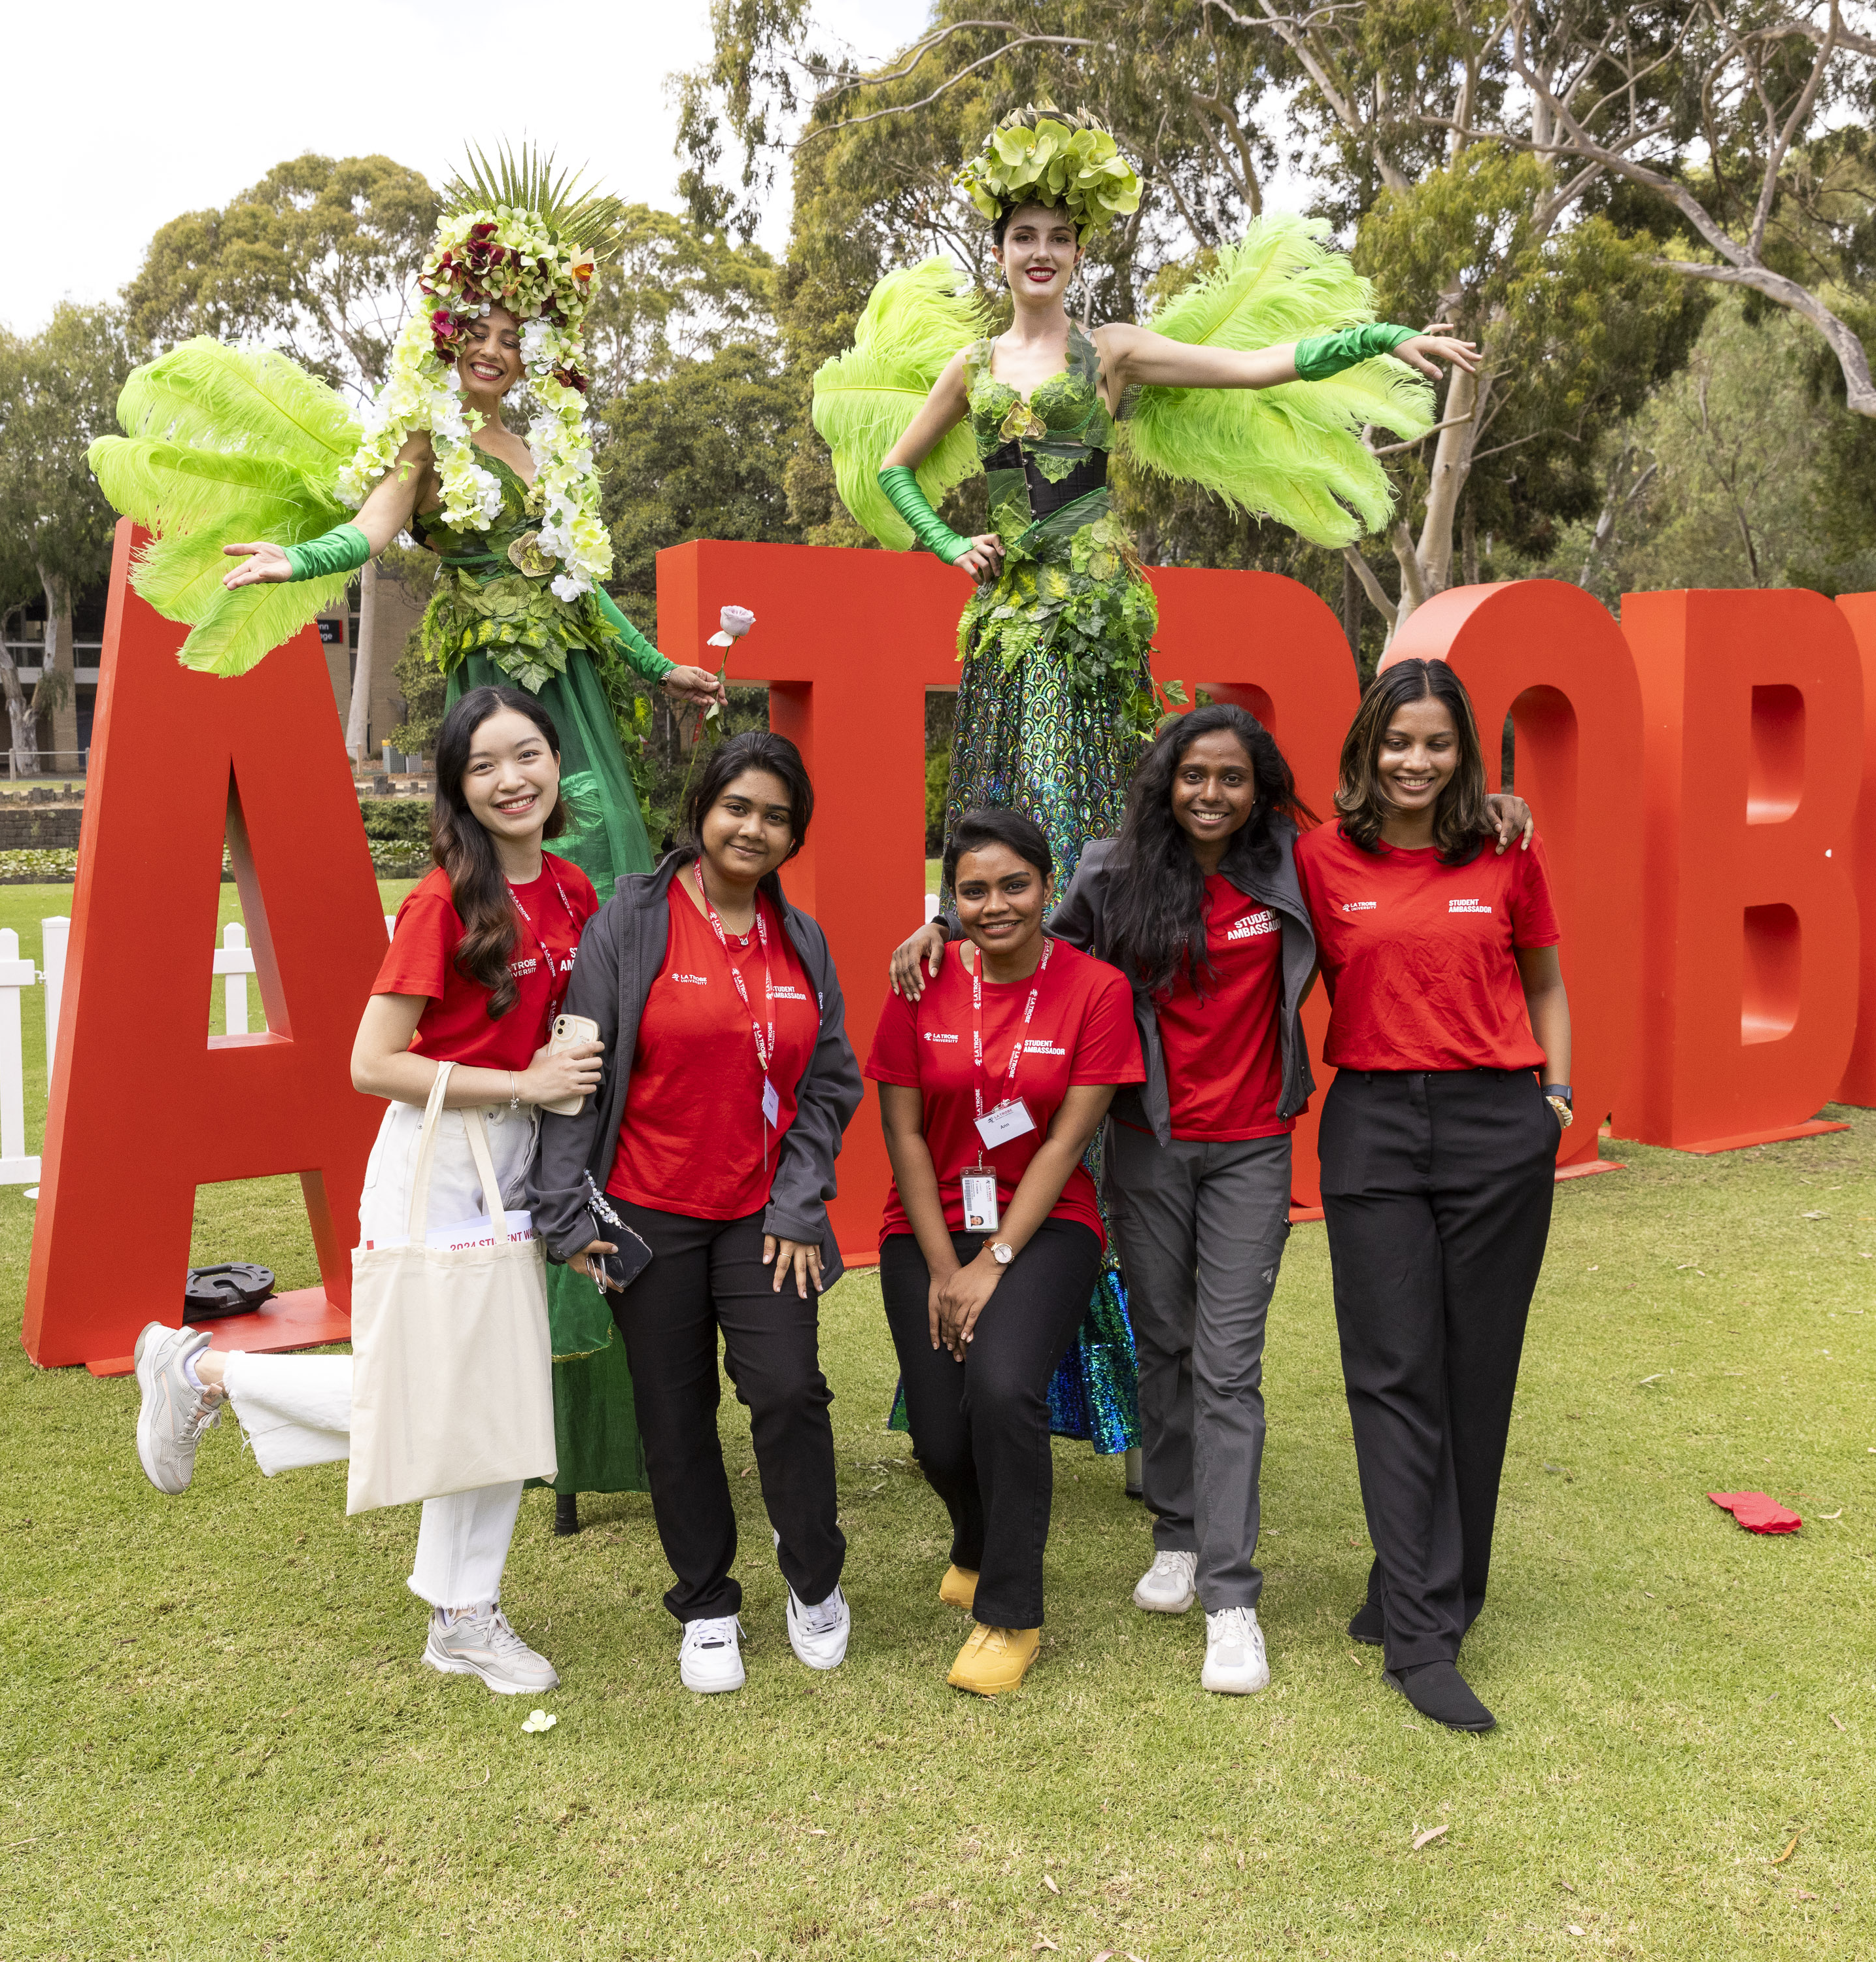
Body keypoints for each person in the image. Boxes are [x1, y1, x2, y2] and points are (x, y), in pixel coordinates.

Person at [813, 105, 1477, 1461]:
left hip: (1100, 621)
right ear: (998, 253)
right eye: (1024, 237)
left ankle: (1107, 1334)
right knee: (1002, 828)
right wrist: (955, 542)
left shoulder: (1112, 354)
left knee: (1096, 874)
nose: (1041, 254)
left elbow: (1257, 364)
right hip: (1011, 634)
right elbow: (889, 472)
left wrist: (1381, 343)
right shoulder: (971, 360)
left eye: (1060, 237)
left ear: (1078, 253)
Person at [91, 147, 704, 1508]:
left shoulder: (553, 447)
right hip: (505, 700)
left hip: (583, 710)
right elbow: (370, 531)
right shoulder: (425, 443)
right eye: (475, 331)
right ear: (446, 335)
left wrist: (662, 669)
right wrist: (292, 564)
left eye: (514, 332)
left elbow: (583, 586)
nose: (495, 351)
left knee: (611, 947)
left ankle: (604, 1307)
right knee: (514, 921)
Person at [889, 710, 1537, 1697]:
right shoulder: (1114, 870)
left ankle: (1232, 1598)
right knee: (1167, 1345)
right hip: (1148, 1148)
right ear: (1167, 778)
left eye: (1233, 777)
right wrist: (942, 922)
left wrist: (1487, 808)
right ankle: (1180, 1533)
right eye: (1194, 774)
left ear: (1259, 786)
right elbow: (1027, 941)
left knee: (1229, 1363)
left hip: (1252, 1149)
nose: (1211, 794)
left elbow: (1402, 842)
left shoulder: (1294, 861)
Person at [127, 687, 602, 1695]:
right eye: (484, 766)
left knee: (492, 1394)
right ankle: (202, 1371)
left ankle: (461, 1616)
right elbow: (371, 1060)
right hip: (437, 1159)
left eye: (527, 755)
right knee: (431, 1395)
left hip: (519, 1159)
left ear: (556, 764)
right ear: (458, 788)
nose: (511, 779)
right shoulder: (446, 898)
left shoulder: (570, 889)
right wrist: (524, 1082)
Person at [532, 732, 863, 1694]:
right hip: (645, 1210)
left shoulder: (798, 939)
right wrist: (565, 1210)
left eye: (776, 816)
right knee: (673, 1411)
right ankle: (707, 1600)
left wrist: (801, 1201)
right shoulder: (629, 923)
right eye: (740, 807)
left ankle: (815, 1578)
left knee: (789, 1389)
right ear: (703, 808)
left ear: (794, 833)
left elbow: (829, 1083)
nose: (754, 828)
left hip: (766, 1214)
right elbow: (576, 1081)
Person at [1297, 658, 1573, 1734]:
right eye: (1398, 741)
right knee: (1391, 1368)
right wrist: (950, 925)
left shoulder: (1505, 847)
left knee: (1475, 1371)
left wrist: (1553, 1098)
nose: (1417, 761)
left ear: (1466, 753)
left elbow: (1546, 980)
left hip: (1497, 1125)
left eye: (1438, 743)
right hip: (1370, 1123)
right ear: (1367, 746)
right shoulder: (1319, 855)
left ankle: (1435, 1589)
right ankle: (1420, 1635)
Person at [870, 807, 1144, 1697]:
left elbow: (1068, 1141)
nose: (997, 905)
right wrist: (947, 1265)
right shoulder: (922, 977)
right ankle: (977, 1543)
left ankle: (1013, 1610)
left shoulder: (1096, 989)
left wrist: (995, 1262)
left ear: (1047, 884)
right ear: (950, 899)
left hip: (1049, 1223)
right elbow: (904, 1134)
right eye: (974, 889)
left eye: (1014, 884)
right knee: (941, 1434)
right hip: (927, 1225)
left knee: (1002, 1386)